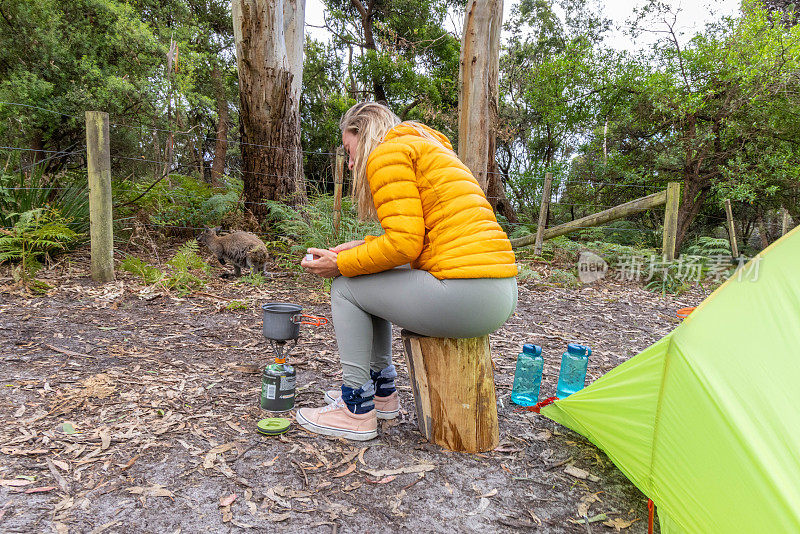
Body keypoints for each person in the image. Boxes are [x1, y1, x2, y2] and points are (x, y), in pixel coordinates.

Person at [297, 102, 518, 441]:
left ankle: (355, 409)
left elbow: (404, 245)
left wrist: (340, 264)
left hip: (465, 293)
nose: (352, 163)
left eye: (349, 150)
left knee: (345, 286)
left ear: (364, 134)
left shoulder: (386, 154)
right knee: (366, 275)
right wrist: (361, 248)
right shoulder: (424, 147)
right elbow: (418, 239)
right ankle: (382, 394)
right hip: (496, 291)